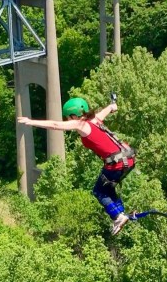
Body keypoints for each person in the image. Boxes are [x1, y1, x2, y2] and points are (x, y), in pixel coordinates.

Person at [18, 97, 136, 235]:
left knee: (99, 191)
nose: (69, 120)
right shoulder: (95, 119)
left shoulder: (81, 125)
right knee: (108, 189)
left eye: (68, 117)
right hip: (129, 159)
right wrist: (112, 106)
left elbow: (55, 125)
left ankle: (118, 216)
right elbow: (107, 110)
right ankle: (121, 213)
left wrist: (31, 121)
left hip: (116, 164)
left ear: (74, 115)